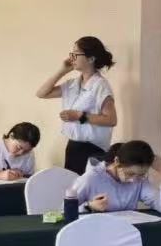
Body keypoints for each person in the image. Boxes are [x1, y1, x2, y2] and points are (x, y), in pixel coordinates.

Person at [36, 36, 118, 174]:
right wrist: (62, 71)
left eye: (75, 54)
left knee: (85, 186)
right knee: (72, 185)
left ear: (91, 59)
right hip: (73, 146)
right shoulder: (73, 84)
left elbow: (111, 119)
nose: (71, 58)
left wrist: (80, 116)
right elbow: (41, 93)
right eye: (71, 54)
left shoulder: (100, 86)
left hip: (93, 149)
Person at [69, 141, 161, 214]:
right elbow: (64, 212)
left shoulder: (139, 180)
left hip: (125, 233)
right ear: (117, 161)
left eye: (141, 174)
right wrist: (89, 206)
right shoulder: (91, 179)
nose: (134, 179)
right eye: (130, 174)